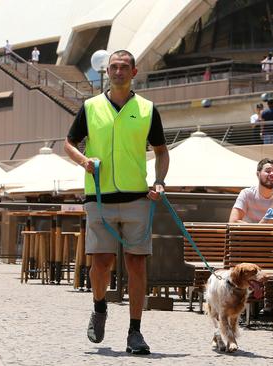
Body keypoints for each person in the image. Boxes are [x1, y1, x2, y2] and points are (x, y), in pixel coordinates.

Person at [64, 50, 169, 355]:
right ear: (106, 72)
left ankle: (135, 332)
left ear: (134, 72)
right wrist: (84, 161)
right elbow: (69, 143)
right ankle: (99, 308)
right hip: (99, 197)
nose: (119, 71)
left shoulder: (148, 109)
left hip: (137, 197)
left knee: (136, 264)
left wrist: (159, 181)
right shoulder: (90, 106)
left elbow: (162, 151)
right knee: (101, 263)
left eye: (125, 67)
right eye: (114, 67)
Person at [229, 158, 273, 223]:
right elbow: (233, 221)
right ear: (258, 174)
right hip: (248, 233)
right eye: (268, 171)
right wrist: (258, 229)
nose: (272, 174)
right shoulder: (247, 193)